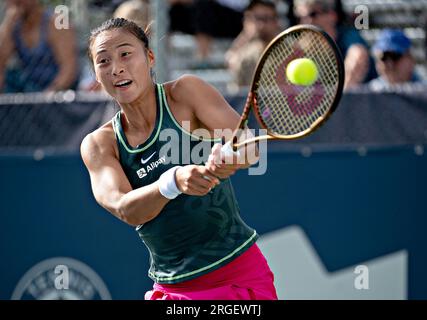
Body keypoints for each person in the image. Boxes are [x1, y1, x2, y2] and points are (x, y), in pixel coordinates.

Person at [81, 18, 278, 300]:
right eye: (103, 61)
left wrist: (230, 157)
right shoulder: (100, 145)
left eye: (126, 54)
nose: (117, 68)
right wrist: (172, 182)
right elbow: (126, 209)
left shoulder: (186, 93)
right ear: (97, 76)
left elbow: (249, 147)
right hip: (175, 289)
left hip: (240, 273)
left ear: (150, 57)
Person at [293, 0, 377, 89]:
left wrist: (339, 97)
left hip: (364, 97)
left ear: (332, 15)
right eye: (299, 18)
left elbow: (358, 55)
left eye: (312, 15)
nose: (305, 22)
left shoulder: (349, 37)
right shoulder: (299, 47)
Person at [0, 0, 79, 93]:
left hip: (58, 92)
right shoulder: (14, 27)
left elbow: (69, 69)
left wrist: (50, 93)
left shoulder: (58, 21)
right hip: (29, 89)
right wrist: (7, 25)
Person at [225, 0, 281, 89]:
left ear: (276, 21)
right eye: (256, 18)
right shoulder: (245, 57)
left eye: (265, 18)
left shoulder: (292, 52)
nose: (260, 24)